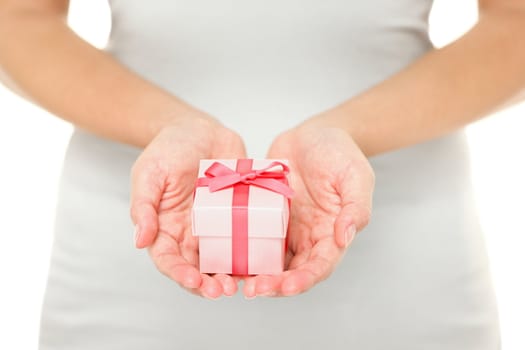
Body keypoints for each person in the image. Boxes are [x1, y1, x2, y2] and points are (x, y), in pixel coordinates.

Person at [1, 0, 522, 348]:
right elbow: (18, 19)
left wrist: (352, 129)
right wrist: (165, 123)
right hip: (127, 275)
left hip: (409, 286)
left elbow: (514, 27)